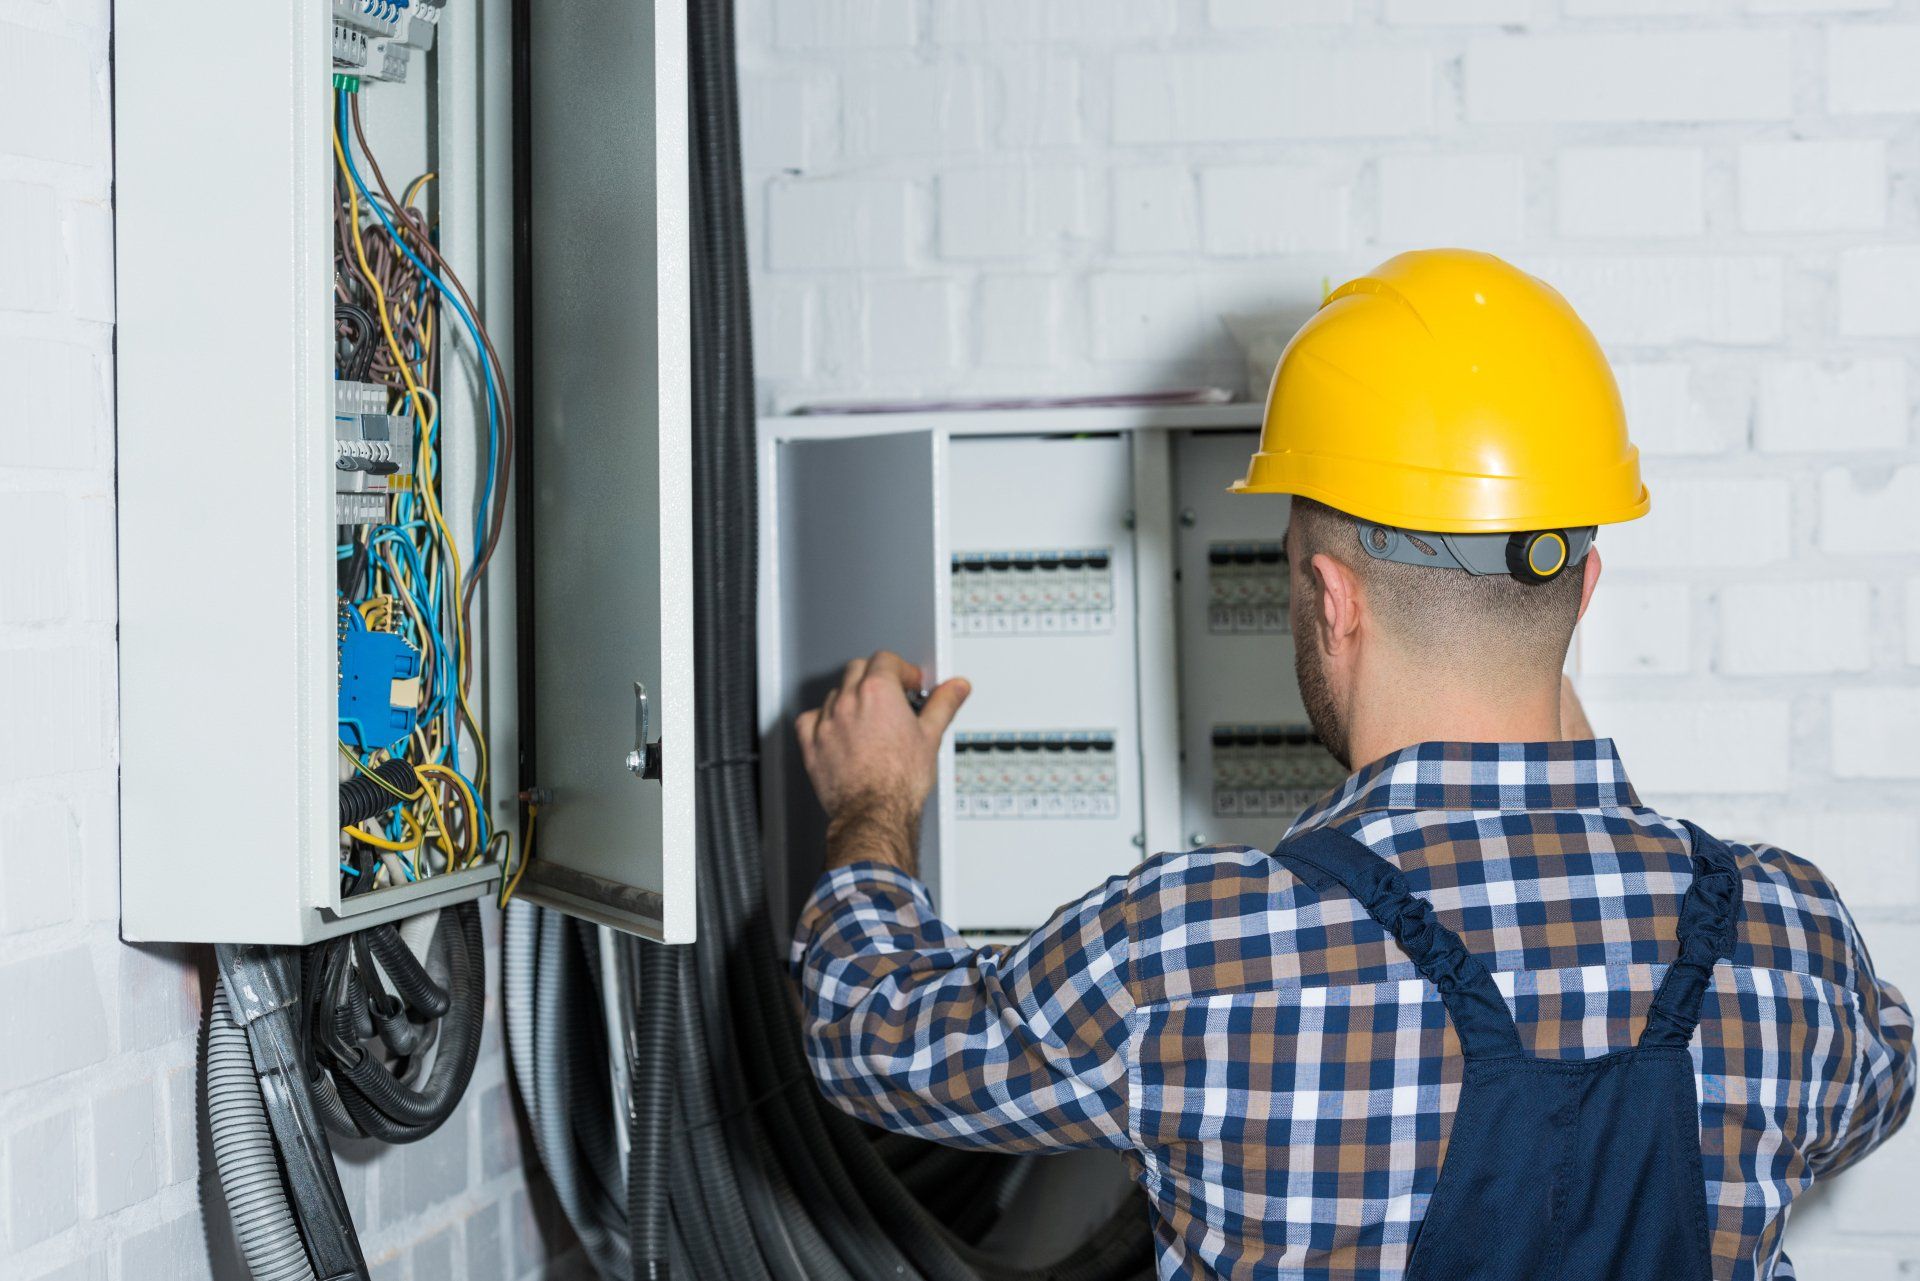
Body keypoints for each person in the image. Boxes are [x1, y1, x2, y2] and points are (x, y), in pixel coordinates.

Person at [788, 251, 1914, 1279]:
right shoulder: (1787, 935)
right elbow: (1884, 1082)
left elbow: (871, 1037)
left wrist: (871, 800)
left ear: (1331, 601)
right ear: (1585, 590)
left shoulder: (1191, 954)